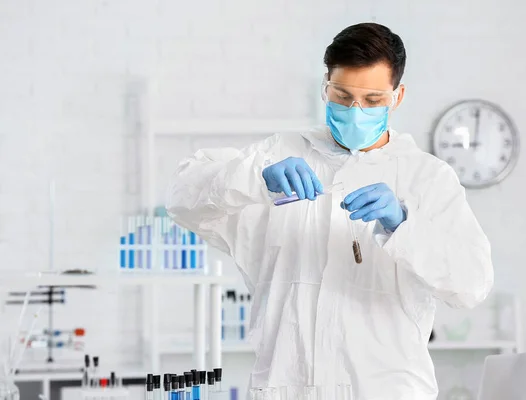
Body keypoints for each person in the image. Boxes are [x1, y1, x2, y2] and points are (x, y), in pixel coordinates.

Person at [167, 22, 493, 400]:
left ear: (397, 96)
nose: (355, 111)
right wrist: (255, 178)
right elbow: (182, 198)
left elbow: (472, 284)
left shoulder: (427, 177)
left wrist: (404, 225)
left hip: (385, 390)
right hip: (285, 386)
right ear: (325, 87)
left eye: (372, 101)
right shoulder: (280, 152)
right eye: (341, 96)